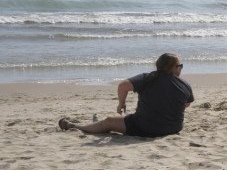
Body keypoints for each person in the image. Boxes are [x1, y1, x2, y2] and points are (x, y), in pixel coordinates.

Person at [58, 53, 193, 137]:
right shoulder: (185, 85)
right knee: (127, 118)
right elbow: (186, 104)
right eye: (180, 65)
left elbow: (122, 86)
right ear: (172, 68)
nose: (181, 68)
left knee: (109, 121)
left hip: (146, 128)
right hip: (173, 128)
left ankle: (76, 126)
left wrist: (121, 103)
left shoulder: (148, 78)